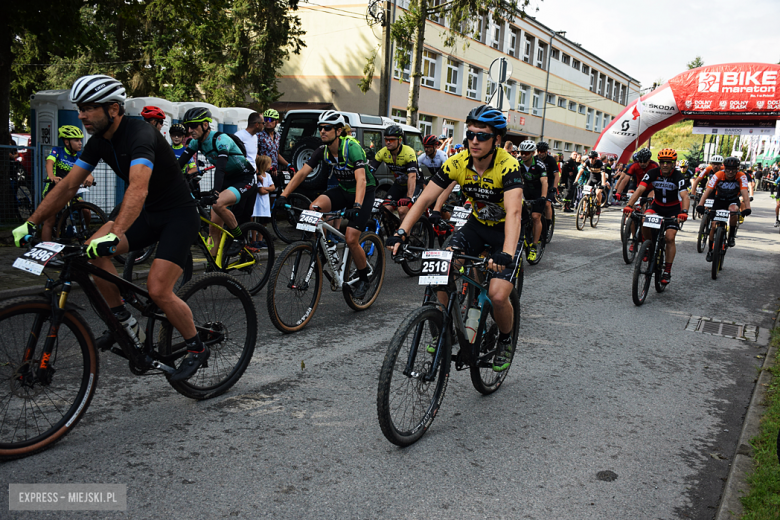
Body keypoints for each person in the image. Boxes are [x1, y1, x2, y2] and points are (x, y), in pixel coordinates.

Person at [13, 74, 206, 381]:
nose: (81, 115)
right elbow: (66, 187)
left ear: (114, 109)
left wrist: (116, 232)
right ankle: (122, 320)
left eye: (89, 107)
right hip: (147, 214)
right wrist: (31, 221)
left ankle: (196, 346)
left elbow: (138, 187)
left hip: (178, 216)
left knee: (158, 289)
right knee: (91, 252)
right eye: (80, 107)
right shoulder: (98, 143)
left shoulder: (140, 134)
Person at [386, 105, 523, 372]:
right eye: (470, 134)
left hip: (505, 233)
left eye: (482, 136)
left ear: (496, 140)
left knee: (496, 296)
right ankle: (442, 327)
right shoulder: (458, 162)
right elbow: (424, 198)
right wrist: (401, 232)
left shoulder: (508, 165)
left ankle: (506, 339)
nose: (474, 140)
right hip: (476, 226)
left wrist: (505, 253)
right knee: (441, 268)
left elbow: (515, 213)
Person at [276, 110, 376, 299]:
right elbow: (302, 173)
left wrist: (356, 206)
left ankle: (364, 278)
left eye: (327, 128)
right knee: (312, 209)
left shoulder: (351, 148)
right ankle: (327, 246)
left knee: (351, 238)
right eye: (320, 128)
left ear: (338, 131)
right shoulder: (322, 150)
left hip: (363, 193)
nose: (322, 131)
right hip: (343, 190)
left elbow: (361, 180)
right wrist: (284, 195)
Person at [176, 107, 256, 257]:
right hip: (227, 180)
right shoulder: (196, 143)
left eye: (193, 125)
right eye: (188, 126)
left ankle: (239, 239)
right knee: (213, 229)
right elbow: (178, 166)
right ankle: (211, 268)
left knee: (218, 203)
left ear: (205, 125)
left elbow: (219, 169)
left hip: (244, 178)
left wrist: (215, 193)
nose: (189, 130)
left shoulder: (221, 140)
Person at [623, 148, 689, 285]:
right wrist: (629, 205)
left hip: (673, 210)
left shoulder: (678, 176)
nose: (665, 165)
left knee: (670, 237)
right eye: (662, 162)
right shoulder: (652, 173)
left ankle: (667, 271)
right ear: (659, 162)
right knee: (644, 220)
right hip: (657, 207)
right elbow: (640, 189)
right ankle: (648, 246)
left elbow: (684, 195)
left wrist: (684, 211)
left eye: (668, 162)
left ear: (673, 163)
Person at [41, 125, 94, 242]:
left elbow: (87, 169)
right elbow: (49, 163)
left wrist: (89, 177)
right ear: (66, 142)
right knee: (50, 220)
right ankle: (46, 247)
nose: (80, 143)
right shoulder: (57, 150)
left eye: (80, 140)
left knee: (86, 210)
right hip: (54, 190)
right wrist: (52, 176)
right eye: (76, 140)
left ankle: (83, 232)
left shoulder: (79, 156)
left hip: (70, 191)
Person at [696, 156, 751, 260]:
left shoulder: (741, 176)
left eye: (733, 169)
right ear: (724, 168)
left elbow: (744, 193)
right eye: (728, 169)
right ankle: (710, 250)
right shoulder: (718, 175)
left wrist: (747, 207)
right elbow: (708, 191)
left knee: (734, 211)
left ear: (737, 169)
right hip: (719, 200)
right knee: (713, 225)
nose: (730, 171)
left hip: (732, 200)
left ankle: (731, 236)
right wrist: (700, 204)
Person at [368, 125, 421, 219]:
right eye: (386, 139)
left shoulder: (408, 152)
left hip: (415, 184)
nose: (388, 142)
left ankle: (405, 233)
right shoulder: (383, 152)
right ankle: (392, 230)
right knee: (385, 209)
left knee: (402, 210)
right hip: (399, 184)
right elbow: (370, 171)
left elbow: (412, 176)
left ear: (400, 140)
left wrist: (408, 197)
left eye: (391, 140)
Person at [517, 140, 547, 261]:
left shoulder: (539, 164)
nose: (523, 155)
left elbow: (544, 181)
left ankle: (534, 245)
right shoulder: (518, 162)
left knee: (535, 217)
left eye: (526, 153)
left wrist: (543, 197)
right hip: (526, 190)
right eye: (521, 152)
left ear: (533, 153)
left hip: (538, 192)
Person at [251, 155, 275, 248]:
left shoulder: (268, 176)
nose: (270, 166)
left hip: (265, 203)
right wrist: (268, 189)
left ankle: (260, 240)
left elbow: (273, 187)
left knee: (263, 221)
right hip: (258, 203)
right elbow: (261, 191)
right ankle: (254, 240)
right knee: (256, 221)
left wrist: (266, 189)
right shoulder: (258, 176)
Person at [535, 141, 559, 227]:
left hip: (550, 183)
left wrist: (555, 187)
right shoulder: (535, 159)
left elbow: (556, 175)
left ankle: (548, 224)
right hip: (539, 183)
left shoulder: (551, 160)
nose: (540, 153)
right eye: (539, 151)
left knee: (547, 204)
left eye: (542, 151)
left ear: (546, 151)